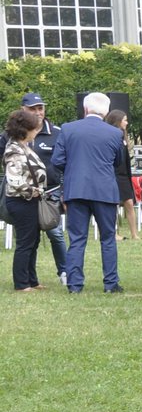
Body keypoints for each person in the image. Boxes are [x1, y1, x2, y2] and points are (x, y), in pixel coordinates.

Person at [51, 92, 127, 294]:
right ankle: (111, 283)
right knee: (108, 238)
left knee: (77, 238)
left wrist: (74, 169)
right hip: (104, 190)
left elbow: (57, 160)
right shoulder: (115, 133)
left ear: (85, 109)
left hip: (76, 189)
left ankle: (74, 284)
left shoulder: (68, 129)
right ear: (107, 111)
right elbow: (118, 161)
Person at [22, 94, 69, 285]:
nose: (38, 112)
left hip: (51, 190)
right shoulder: (14, 132)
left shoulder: (57, 133)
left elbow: (66, 163)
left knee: (54, 232)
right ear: (23, 110)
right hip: (24, 192)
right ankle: (28, 278)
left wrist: (66, 190)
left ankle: (65, 272)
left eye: (40, 107)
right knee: (28, 236)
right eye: (33, 108)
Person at [4, 108, 52, 292]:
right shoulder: (14, 150)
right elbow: (15, 181)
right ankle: (21, 283)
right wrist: (35, 191)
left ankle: (32, 280)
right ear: (24, 130)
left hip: (29, 201)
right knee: (25, 242)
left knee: (33, 241)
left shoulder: (25, 147)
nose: (37, 132)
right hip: (20, 201)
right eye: (34, 128)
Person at [103, 109, 140, 243]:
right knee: (113, 205)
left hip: (124, 175)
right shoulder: (110, 135)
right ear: (118, 121)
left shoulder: (123, 136)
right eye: (124, 120)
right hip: (113, 174)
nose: (127, 122)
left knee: (129, 203)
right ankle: (114, 233)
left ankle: (134, 233)